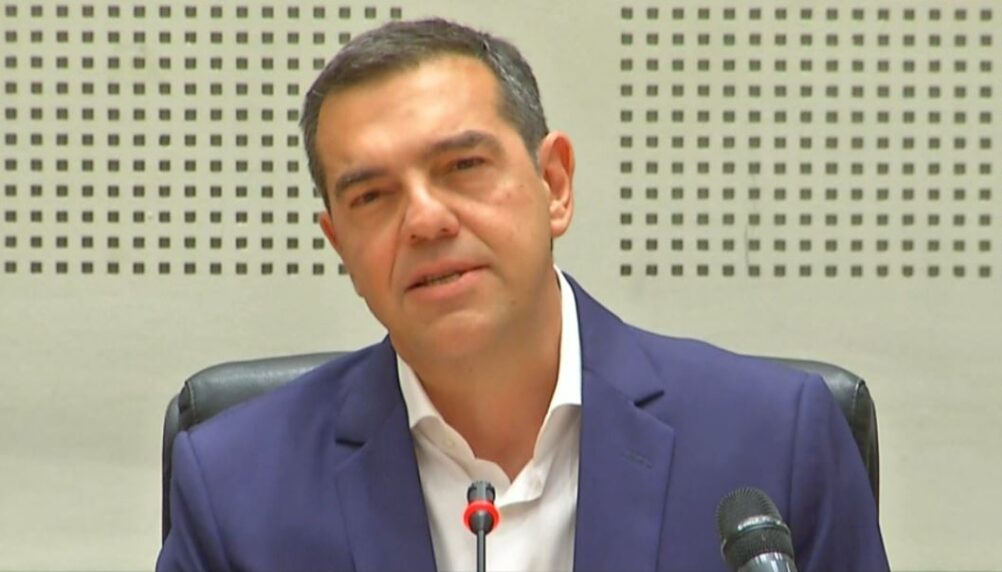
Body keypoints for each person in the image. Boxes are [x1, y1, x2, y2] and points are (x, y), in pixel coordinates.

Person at [158, 18, 888, 571]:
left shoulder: (773, 441)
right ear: (339, 244)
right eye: (372, 196)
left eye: (463, 167)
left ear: (554, 185)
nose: (425, 221)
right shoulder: (235, 487)